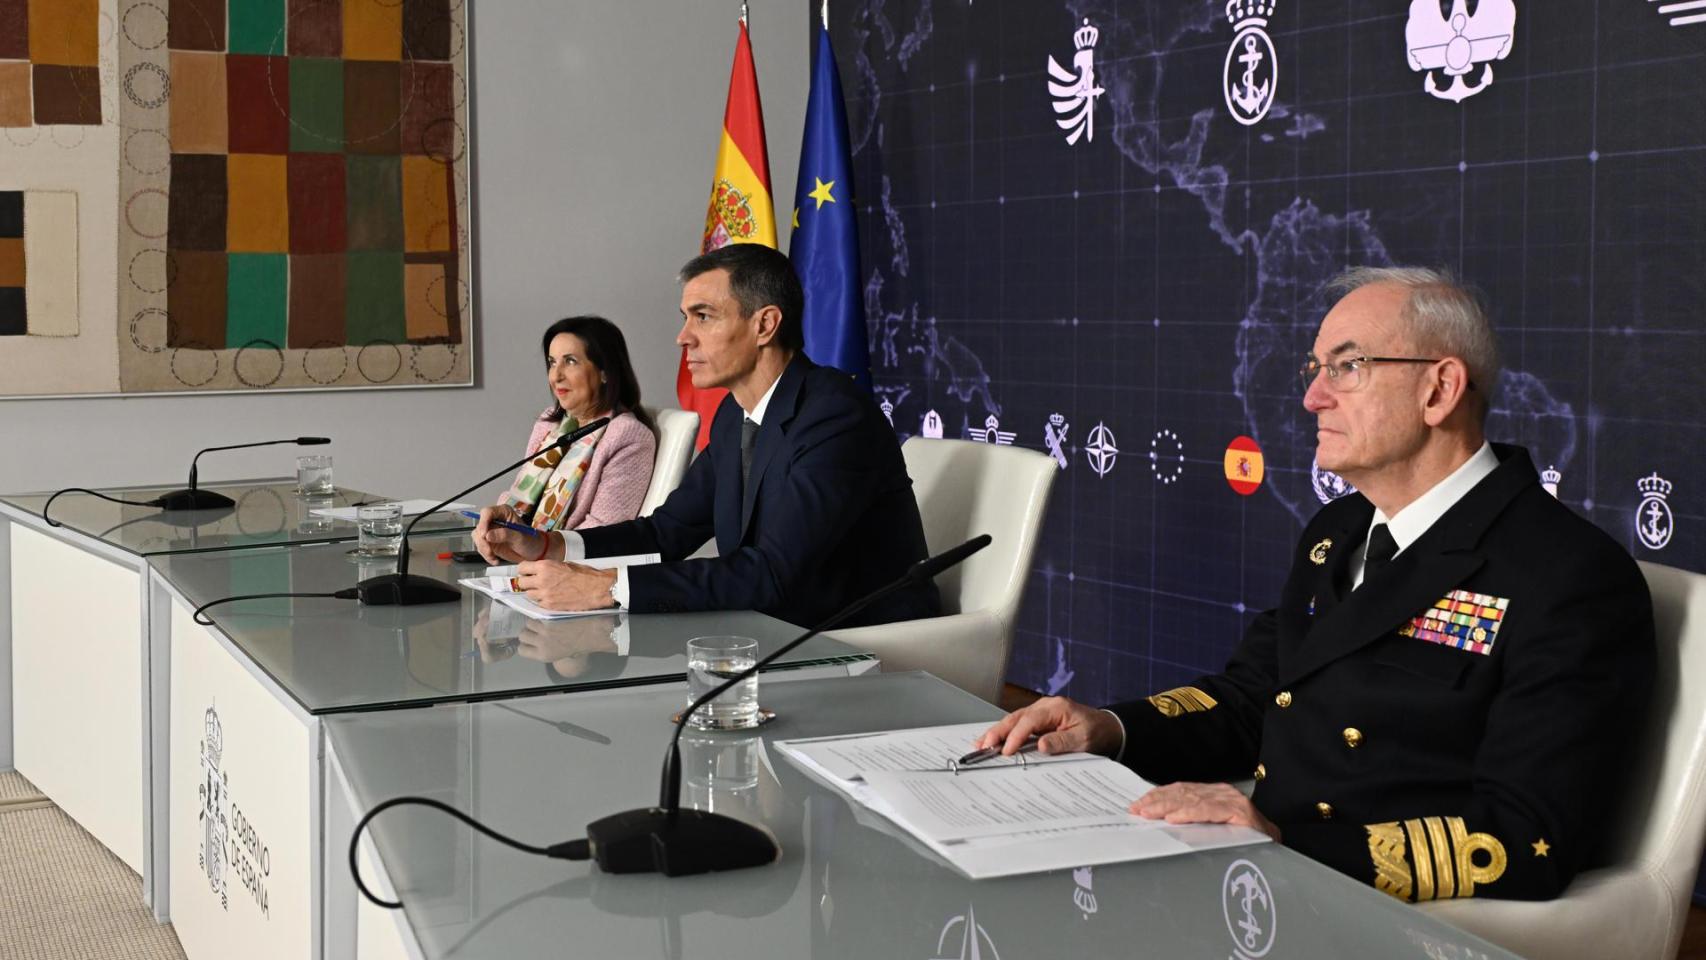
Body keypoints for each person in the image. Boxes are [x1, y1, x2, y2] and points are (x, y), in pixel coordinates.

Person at [976, 266, 1653, 902]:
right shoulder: (1340, 529)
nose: (1312, 397)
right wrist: (1114, 728)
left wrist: (1285, 843)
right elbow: (1255, 696)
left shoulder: (1568, 575)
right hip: (1261, 870)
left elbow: (1527, 835)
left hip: (1377, 907)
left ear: (1440, 390)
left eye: (1347, 368)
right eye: (1316, 369)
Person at [475, 244, 939, 627]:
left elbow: (774, 572)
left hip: (855, 640)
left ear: (764, 325)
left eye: (703, 316)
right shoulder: (735, 415)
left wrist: (606, 587)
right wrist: (549, 545)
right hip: (769, 627)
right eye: (685, 317)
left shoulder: (835, 416)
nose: (683, 337)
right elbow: (667, 532)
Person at [485, 315, 656, 547]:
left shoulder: (628, 436)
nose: (556, 376)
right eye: (552, 362)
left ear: (605, 371)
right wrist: (497, 526)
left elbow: (605, 530)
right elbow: (520, 501)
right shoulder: (549, 424)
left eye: (570, 361)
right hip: (525, 553)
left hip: (568, 562)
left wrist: (538, 548)